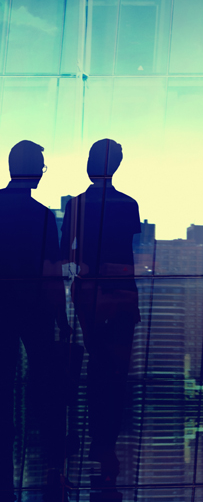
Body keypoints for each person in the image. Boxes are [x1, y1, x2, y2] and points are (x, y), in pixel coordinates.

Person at [60, 139, 142, 479]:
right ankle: (105, 442)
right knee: (117, 371)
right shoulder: (128, 204)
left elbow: (67, 250)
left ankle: (94, 437)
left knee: (96, 364)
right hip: (122, 290)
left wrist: (87, 266)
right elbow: (130, 248)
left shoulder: (77, 205)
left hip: (91, 291)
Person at [0, 141, 68, 480]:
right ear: (31, 169)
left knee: (3, 379)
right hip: (34, 306)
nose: (43, 171)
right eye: (41, 165)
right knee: (45, 379)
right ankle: (53, 445)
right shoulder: (41, 215)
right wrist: (61, 317)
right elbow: (50, 270)